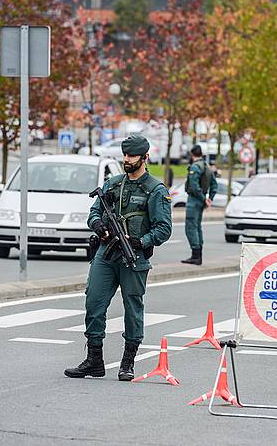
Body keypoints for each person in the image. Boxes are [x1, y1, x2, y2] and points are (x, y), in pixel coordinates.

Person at [65, 135, 172, 381]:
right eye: (124, 155)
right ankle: (94, 361)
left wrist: (142, 241)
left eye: (132, 156)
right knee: (93, 302)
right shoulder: (113, 184)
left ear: (144, 157)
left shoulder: (155, 190)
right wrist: (98, 224)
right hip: (106, 253)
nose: (126, 159)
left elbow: (164, 229)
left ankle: (128, 362)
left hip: (133, 256)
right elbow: (93, 212)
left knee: (132, 308)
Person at [181, 145, 217, 265]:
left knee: (191, 227)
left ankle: (195, 255)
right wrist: (209, 198)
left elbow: (194, 186)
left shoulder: (195, 167)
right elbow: (214, 185)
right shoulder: (206, 166)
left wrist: (203, 199)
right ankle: (198, 254)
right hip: (201, 200)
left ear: (192, 154)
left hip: (194, 200)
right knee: (197, 227)